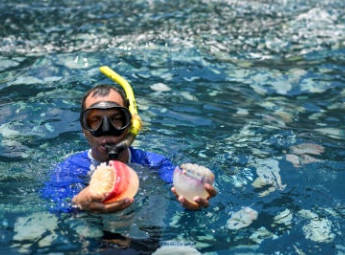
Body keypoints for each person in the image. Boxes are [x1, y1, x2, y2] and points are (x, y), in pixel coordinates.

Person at [41, 83, 217, 214]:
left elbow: (176, 183)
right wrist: (78, 202)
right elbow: (52, 204)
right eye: (95, 120)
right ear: (83, 128)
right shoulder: (70, 168)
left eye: (117, 119)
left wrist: (192, 194)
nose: (106, 128)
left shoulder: (153, 163)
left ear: (130, 124)